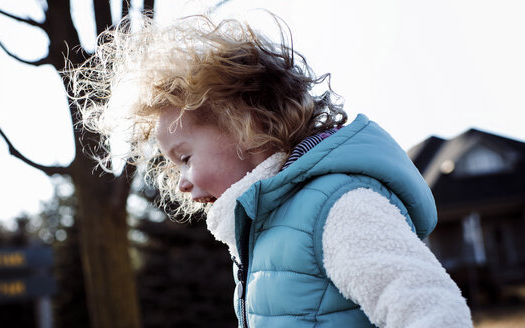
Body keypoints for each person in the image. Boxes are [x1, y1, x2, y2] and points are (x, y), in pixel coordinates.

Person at [70, 13, 473, 328]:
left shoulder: (337, 207)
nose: (181, 181)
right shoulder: (265, 231)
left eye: (186, 157)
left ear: (247, 123)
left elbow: (431, 309)